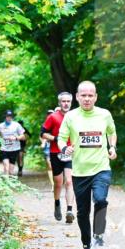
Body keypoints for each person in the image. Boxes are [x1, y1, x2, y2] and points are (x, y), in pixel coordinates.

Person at [57, 81, 116, 249]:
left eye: (90, 95)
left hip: (101, 168)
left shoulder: (104, 114)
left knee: (100, 200)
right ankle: (86, 247)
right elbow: (61, 138)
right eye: (83, 95)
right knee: (82, 212)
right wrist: (64, 149)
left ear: (96, 97)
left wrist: (112, 147)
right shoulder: (71, 117)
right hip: (80, 171)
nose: (87, 98)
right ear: (77, 97)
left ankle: (99, 237)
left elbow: (112, 132)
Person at [42, 92, 76, 224]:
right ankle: (57, 203)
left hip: (70, 152)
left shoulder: (76, 116)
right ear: (59, 103)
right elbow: (43, 133)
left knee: (69, 181)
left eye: (68, 101)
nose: (66, 103)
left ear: (71, 103)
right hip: (56, 152)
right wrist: (56, 139)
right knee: (58, 183)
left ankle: (69, 210)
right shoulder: (53, 117)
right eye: (63, 101)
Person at [0, 110, 25, 176]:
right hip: (4, 149)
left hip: (14, 149)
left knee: (11, 171)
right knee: (6, 167)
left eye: (10, 116)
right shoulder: (0, 126)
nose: (9, 118)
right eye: (8, 116)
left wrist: (16, 138)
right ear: (5, 117)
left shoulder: (16, 125)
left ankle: (9, 183)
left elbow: (23, 136)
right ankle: (6, 184)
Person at [41, 109, 55, 188]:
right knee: (50, 165)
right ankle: (53, 184)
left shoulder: (57, 123)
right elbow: (41, 135)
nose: (49, 115)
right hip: (47, 148)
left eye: (51, 114)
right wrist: (43, 142)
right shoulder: (44, 125)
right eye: (48, 114)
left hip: (57, 147)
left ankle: (57, 181)